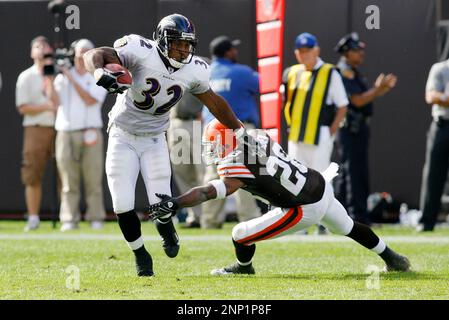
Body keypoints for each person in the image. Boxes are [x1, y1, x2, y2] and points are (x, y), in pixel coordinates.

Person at [83, 13, 242, 277]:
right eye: (177, 43)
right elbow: (94, 54)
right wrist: (100, 72)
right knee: (122, 204)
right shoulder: (139, 49)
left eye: (186, 44)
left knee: (162, 203)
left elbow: (213, 101)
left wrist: (238, 128)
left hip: (155, 137)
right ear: (161, 39)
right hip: (122, 134)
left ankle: (166, 227)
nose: (182, 49)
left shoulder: (196, 69)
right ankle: (140, 254)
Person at [148, 120, 411, 275]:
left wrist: (176, 202)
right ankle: (392, 258)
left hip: (303, 207)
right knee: (348, 227)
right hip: (319, 184)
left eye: (215, 144)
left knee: (239, 233)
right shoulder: (258, 137)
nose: (213, 150)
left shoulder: (235, 164)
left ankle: (243, 267)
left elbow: (210, 191)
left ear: (226, 143)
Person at [282, 32, 348, 235]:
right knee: (295, 179)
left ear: (316, 50)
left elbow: (342, 105)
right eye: (300, 51)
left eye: (308, 51)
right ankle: (298, 223)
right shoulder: (292, 73)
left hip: (320, 133)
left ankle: (324, 224)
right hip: (296, 135)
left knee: (321, 178)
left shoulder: (330, 72)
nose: (304, 55)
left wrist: (331, 130)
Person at [334, 32, 397, 225]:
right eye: (356, 50)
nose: (361, 53)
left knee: (351, 172)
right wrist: (378, 90)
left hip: (358, 129)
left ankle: (342, 215)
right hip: (349, 129)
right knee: (353, 172)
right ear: (346, 53)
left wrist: (380, 90)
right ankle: (357, 216)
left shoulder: (353, 72)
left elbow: (363, 98)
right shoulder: (343, 72)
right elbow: (357, 100)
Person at [200, 35, 261, 229]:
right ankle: (250, 218)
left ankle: (209, 220)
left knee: (212, 174)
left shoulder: (206, 72)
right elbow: (265, 84)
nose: (236, 51)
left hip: (211, 131)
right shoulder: (242, 72)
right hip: (238, 129)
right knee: (244, 173)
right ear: (228, 52)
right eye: (233, 49)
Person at [48, 39, 108, 231]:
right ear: (74, 55)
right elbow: (55, 103)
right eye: (79, 53)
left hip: (90, 131)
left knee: (93, 178)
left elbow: (90, 100)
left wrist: (70, 77)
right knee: (68, 179)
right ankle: (68, 218)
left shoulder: (99, 77)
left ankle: (95, 217)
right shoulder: (62, 77)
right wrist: (50, 78)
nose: (82, 57)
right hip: (66, 131)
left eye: (86, 53)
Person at [15, 36, 57, 232]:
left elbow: (60, 102)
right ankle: (33, 217)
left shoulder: (58, 74)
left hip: (58, 127)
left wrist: (50, 78)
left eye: (45, 46)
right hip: (35, 128)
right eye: (37, 46)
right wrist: (46, 107)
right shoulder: (26, 76)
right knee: (32, 175)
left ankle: (66, 218)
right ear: (32, 52)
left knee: (63, 174)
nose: (41, 50)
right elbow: (23, 107)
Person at [418, 56, 449, 231]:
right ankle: (426, 221)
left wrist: (444, 97)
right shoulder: (440, 69)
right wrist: (443, 97)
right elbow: (431, 96)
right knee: (433, 175)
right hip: (442, 125)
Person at [167, 90, 205, 228]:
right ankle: (195, 216)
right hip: (175, 122)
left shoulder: (199, 68)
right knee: (182, 172)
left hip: (195, 122)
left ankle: (208, 216)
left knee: (203, 172)